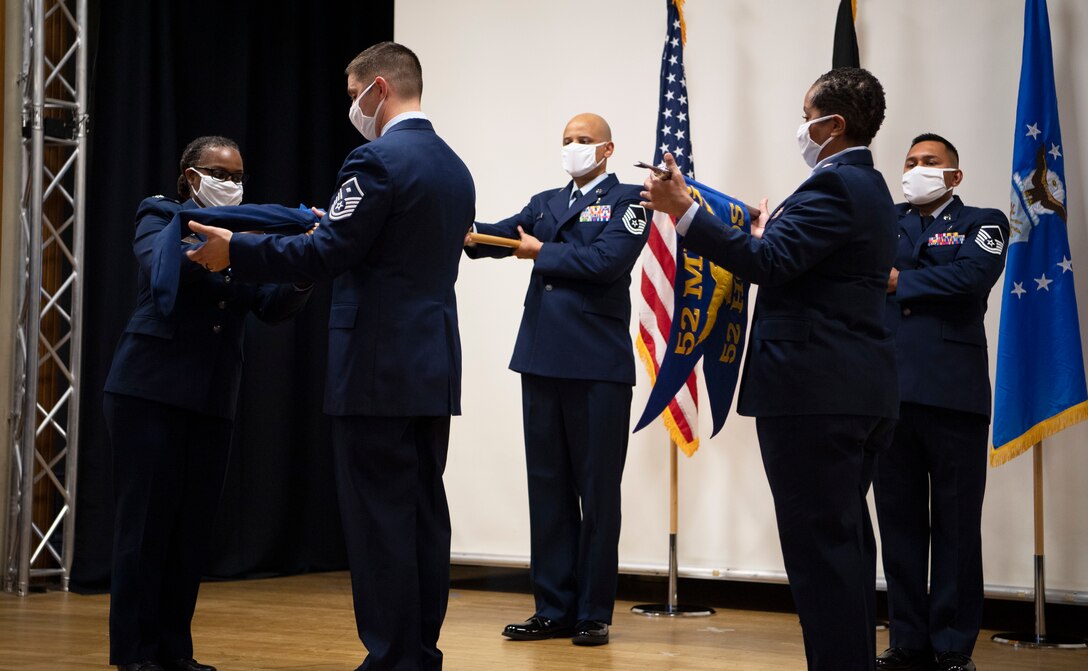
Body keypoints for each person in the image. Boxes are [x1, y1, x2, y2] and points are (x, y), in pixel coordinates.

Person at [186, 42, 475, 671]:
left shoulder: (374, 161)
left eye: (353, 98)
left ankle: (392, 657)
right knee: (424, 514)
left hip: (374, 368)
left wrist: (238, 249)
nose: (353, 110)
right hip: (432, 368)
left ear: (378, 88)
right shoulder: (456, 168)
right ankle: (419, 651)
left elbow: (326, 253)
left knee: (379, 524)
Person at [641, 67, 899, 671]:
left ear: (833, 125)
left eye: (806, 115)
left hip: (816, 395)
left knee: (821, 556)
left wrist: (685, 214)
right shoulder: (865, 186)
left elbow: (773, 264)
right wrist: (763, 233)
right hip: (848, 389)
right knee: (843, 549)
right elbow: (796, 259)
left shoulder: (836, 186)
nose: (801, 128)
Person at [104, 136, 312, 671]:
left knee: (190, 531)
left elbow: (269, 305)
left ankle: (175, 652)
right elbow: (164, 267)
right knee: (144, 527)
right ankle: (134, 654)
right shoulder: (161, 215)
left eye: (240, 176)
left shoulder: (247, 236)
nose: (232, 184)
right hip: (148, 390)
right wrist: (237, 249)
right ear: (190, 176)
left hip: (212, 395)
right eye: (221, 172)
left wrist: (304, 268)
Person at [464, 113, 650, 647]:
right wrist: (458, 227)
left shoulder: (630, 200)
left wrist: (541, 251)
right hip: (542, 358)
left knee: (597, 492)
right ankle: (553, 607)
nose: (573, 147)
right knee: (547, 489)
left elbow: (607, 262)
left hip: (597, 365)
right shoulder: (546, 200)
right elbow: (496, 235)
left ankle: (593, 611)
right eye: (567, 140)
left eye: (584, 140)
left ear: (608, 149)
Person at [873, 134, 1008, 671]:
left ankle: (952, 646)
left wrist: (899, 280)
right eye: (910, 162)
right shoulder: (883, 219)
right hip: (888, 391)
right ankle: (908, 641)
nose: (916, 169)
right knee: (898, 523)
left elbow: (972, 278)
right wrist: (912, 281)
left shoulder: (985, 220)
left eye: (929, 163)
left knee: (954, 524)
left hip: (954, 395)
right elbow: (863, 276)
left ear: (954, 176)